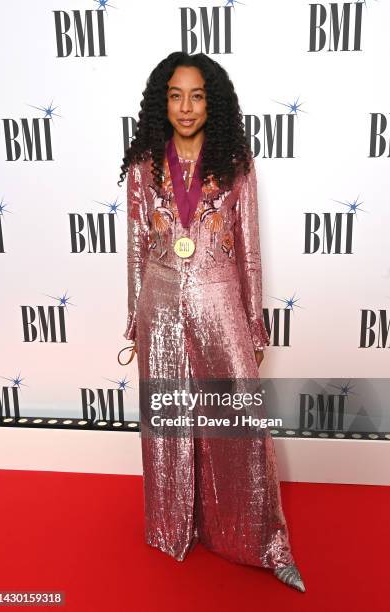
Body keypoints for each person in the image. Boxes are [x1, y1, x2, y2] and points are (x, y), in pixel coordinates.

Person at [117, 51, 306, 593]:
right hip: (159, 307)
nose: (185, 106)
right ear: (161, 101)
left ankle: (263, 542)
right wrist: (135, 316)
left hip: (220, 304)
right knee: (169, 423)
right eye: (175, 95)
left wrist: (252, 323)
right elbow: (134, 248)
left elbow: (249, 253)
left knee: (238, 427)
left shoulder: (235, 165)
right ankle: (172, 526)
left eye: (196, 95)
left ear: (213, 101)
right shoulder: (143, 167)